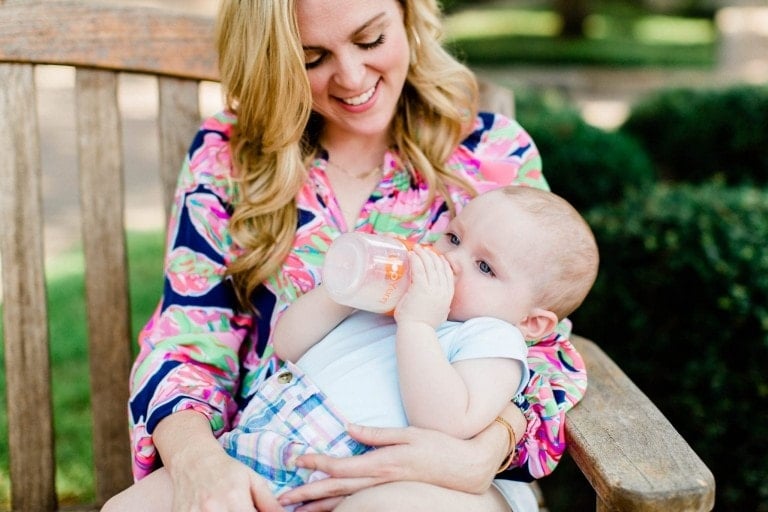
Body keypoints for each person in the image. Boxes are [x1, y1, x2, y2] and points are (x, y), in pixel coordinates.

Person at [114, 0, 590, 511]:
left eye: (370, 41)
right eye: (312, 57)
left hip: (433, 478)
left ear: (408, 16)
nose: (352, 76)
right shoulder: (230, 154)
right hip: (274, 453)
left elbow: (543, 350)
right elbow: (189, 335)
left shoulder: (489, 152)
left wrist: (488, 450)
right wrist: (198, 462)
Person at [105, 186, 599, 512]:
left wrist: (418, 325)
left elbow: (447, 421)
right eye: (452, 236)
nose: (449, 261)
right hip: (257, 452)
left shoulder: (494, 338)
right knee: (124, 508)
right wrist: (343, 290)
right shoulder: (388, 301)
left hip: (364, 483)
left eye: (485, 268)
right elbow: (288, 343)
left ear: (532, 320)